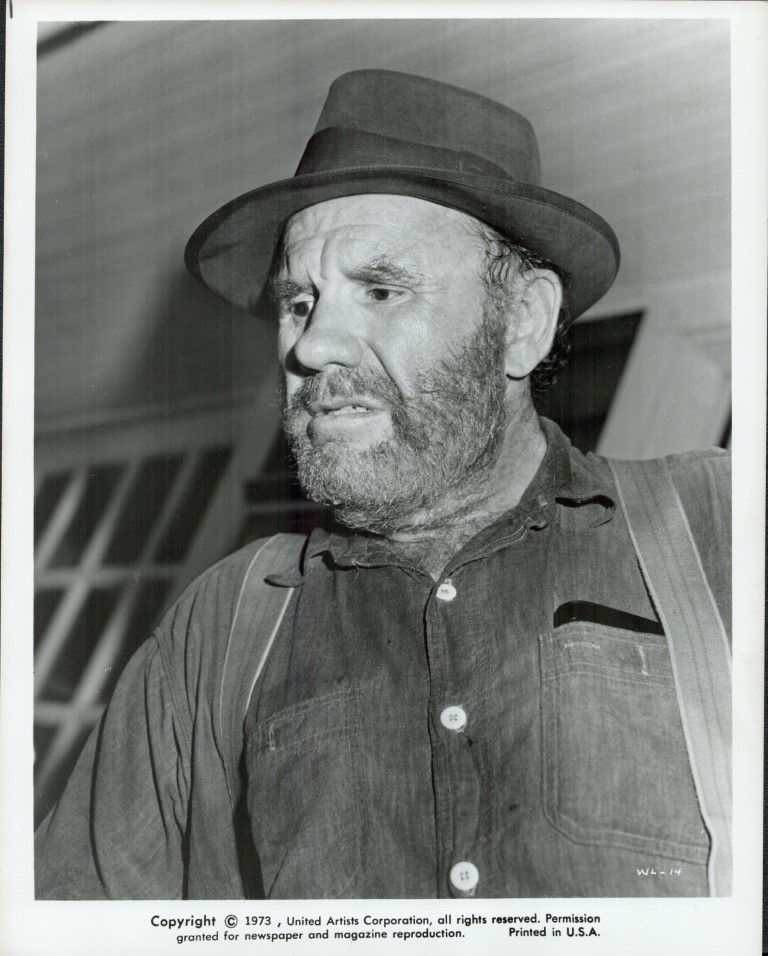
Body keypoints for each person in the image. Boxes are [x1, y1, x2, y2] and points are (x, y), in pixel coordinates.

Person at [35, 69, 731, 900]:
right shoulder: (218, 627)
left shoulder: (721, 528)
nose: (311, 347)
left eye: (381, 289)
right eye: (300, 302)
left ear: (522, 322)